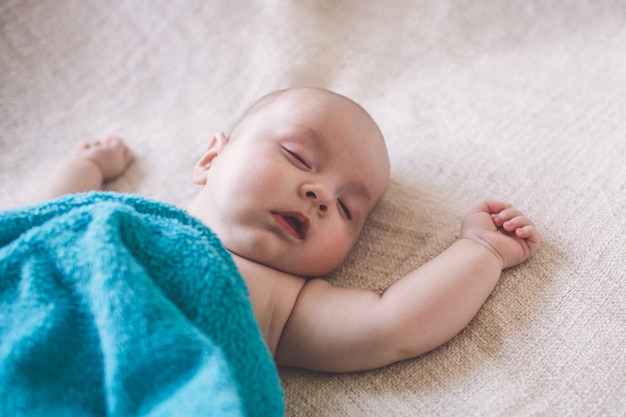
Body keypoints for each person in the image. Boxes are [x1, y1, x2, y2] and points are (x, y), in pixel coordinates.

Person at [30, 87, 540, 373]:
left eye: (346, 208)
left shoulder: (283, 303)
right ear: (212, 157)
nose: (321, 194)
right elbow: (45, 225)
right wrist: (87, 169)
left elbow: (392, 327)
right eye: (298, 156)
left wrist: (479, 251)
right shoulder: (130, 220)